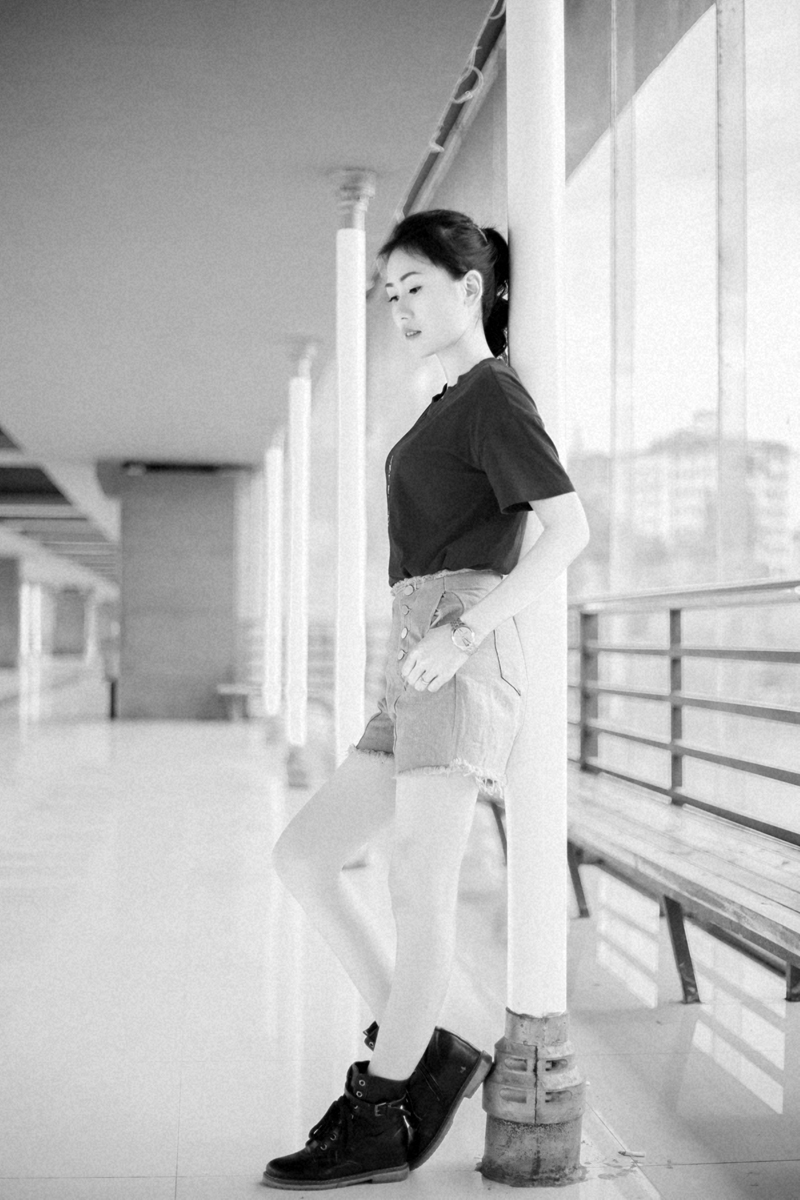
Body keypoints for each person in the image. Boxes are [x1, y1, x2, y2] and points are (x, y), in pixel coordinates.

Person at [262, 209, 589, 1190]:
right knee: (305, 855)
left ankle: (381, 1113)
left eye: (416, 286)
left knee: (416, 884)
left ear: (470, 286)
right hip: (414, 650)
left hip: (455, 647)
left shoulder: (492, 393)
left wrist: (466, 631)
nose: (400, 306)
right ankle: (428, 1049)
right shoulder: (450, 400)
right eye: (391, 292)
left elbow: (569, 531)